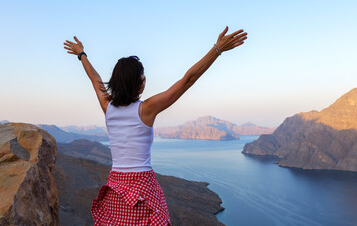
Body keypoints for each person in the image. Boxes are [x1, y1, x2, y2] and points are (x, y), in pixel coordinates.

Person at [63, 26, 247, 226]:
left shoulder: (108, 107)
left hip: (116, 187)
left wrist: (81, 54)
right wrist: (217, 50)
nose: (145, 78)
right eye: (142, 76)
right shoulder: (147, 109)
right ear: (138, 83)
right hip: (143, 187)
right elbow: (188, 80)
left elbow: (95, 79)